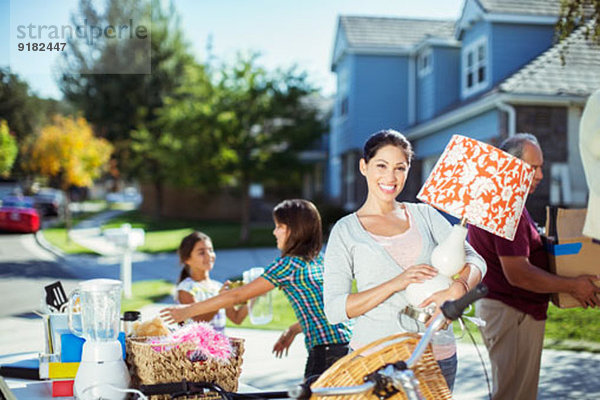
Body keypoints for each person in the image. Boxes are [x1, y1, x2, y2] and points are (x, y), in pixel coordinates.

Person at [323, 129, 486, 391]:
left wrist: (458, 289)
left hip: (436, 357)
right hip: (375, 362)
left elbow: (476, 260)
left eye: (400, 167)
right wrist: (395, 283)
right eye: (381, 166)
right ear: (363, 167)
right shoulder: (346, 231)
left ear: (408, 170)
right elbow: (334, 309)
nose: (390, 177)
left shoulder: (425, 215)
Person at [468, 133, 600, 400]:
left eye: (541, 167)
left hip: (506, 310)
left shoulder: (495, 198)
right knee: (515, 395)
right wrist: (574, 285)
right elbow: (518, 274)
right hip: (512, 311)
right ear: (511, 165)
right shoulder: (506, 205)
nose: (539, 175)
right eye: (533, 168)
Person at [161, 199, 353, 380]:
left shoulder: (287, 265)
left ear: (294, 231)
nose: (274, 232)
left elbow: (237, 295)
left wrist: (187, 311)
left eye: (279, 226)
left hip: (327, 352)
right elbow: (325, 309)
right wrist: (293, 329)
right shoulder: (319, 259)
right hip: (348, 346)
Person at [174, 231, 248, 331]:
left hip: (220, 346)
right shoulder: (185, 289)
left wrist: (254, 297)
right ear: (187, 259)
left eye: (210, 250)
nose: (209, 255)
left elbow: (236, 318)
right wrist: (220, 299)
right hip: (197, 346)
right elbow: (197, 322)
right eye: (201, 252)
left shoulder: (217, 286)